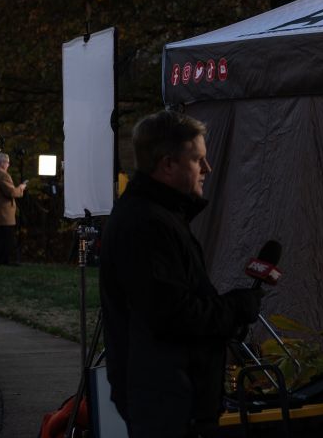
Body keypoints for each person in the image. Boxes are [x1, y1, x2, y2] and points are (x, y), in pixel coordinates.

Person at [99, 110, 264, 438]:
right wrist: (235, 308)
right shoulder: (146, 224)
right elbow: (171, 313)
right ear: (167, 164)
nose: (207, 169)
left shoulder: (160, 217)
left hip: (174, 397)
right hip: (166, 401)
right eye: (197, 160)